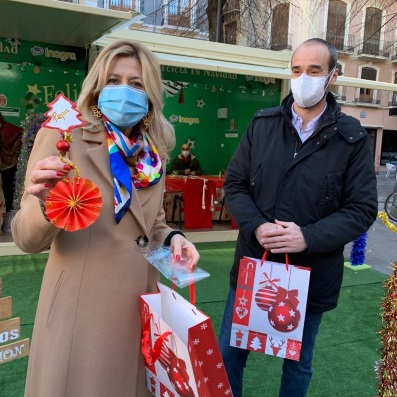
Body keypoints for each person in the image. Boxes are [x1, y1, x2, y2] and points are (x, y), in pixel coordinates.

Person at [11, 39, 200, 397]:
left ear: (150, 94)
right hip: (81, 314)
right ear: (97, 87)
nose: (123, 90)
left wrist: (174, 238)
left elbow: (153, 223)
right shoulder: (65, 136)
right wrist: (44, 203)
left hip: (140, 308)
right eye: (113, 80)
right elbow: (26, 238)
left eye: (136, 83)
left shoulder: (154, 151)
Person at [218, 38, 378, 397]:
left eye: (314, 70)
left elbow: (362, 208)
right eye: (296, 70)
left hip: (310, 276)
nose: (303, 78)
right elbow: (235, 184)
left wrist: (308, 236)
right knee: (230, 353)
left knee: (298, 363)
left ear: (332, 76)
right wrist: (257, 225)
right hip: (253, 267)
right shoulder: (262, 125)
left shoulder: (351, 138)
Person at [0, 112, 23, 213]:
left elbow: (21, 134)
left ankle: (9, 213)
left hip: (8, 165)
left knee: (8, 191)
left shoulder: (11, 129)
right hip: (7, 164)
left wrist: (12, 151)